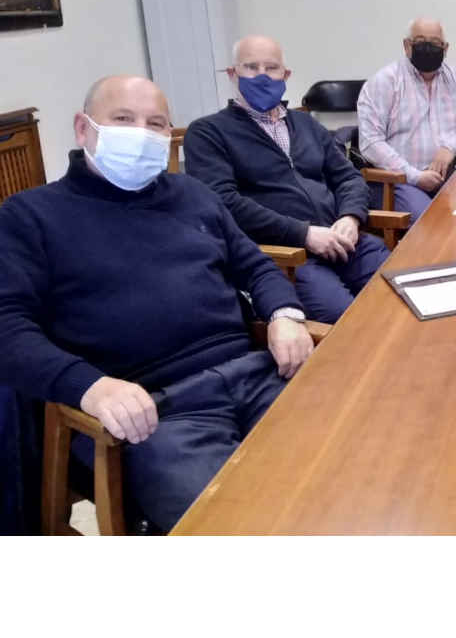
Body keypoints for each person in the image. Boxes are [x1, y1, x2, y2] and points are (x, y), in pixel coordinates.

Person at [0, 75, 312, 532]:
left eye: (155, 124)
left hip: (258, 377)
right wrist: (90, 386)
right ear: (83, 129)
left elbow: (256, 266)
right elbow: (8, 326)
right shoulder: (28, 217)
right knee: (239, 526)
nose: (140, 134)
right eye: (123, 119)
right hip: (154, 411)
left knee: (351, 466)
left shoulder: (194, 195)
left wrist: (285, 315)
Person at [184, 35, 391, 324]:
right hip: (286, 256)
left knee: (401, 296)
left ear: (286, 74)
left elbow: (348, 177)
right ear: (232, 74)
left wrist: (351, 217)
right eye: (251, 67)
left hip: (342, 241)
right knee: (347, 321)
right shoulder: (208, 133)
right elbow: (223, 203)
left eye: (271, 68)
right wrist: (303, 234)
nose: (262, 76)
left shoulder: (306, 124)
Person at [357, 17, 456, 221]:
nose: (428, 48)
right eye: (421, 41)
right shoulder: (384, 82)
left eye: (434, 43)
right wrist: (414, 176)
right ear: (407, 46)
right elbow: (370, 143)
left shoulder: (455, 78)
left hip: (443, 176)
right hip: (398, 182)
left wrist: (451, 146)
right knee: (433, 221)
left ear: (445, 48)